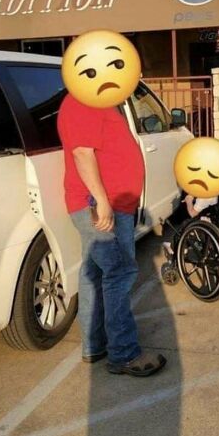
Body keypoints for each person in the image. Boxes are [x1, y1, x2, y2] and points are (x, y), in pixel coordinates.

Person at [57, 93, 167, 378]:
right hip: (101, 206)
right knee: (119, 272)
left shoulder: (97, 100)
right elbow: (82, 153)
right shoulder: (82, 100)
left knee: (94, 273)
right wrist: (102, 201)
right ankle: (123, 354)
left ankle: (94, 345)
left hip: (110, 204)